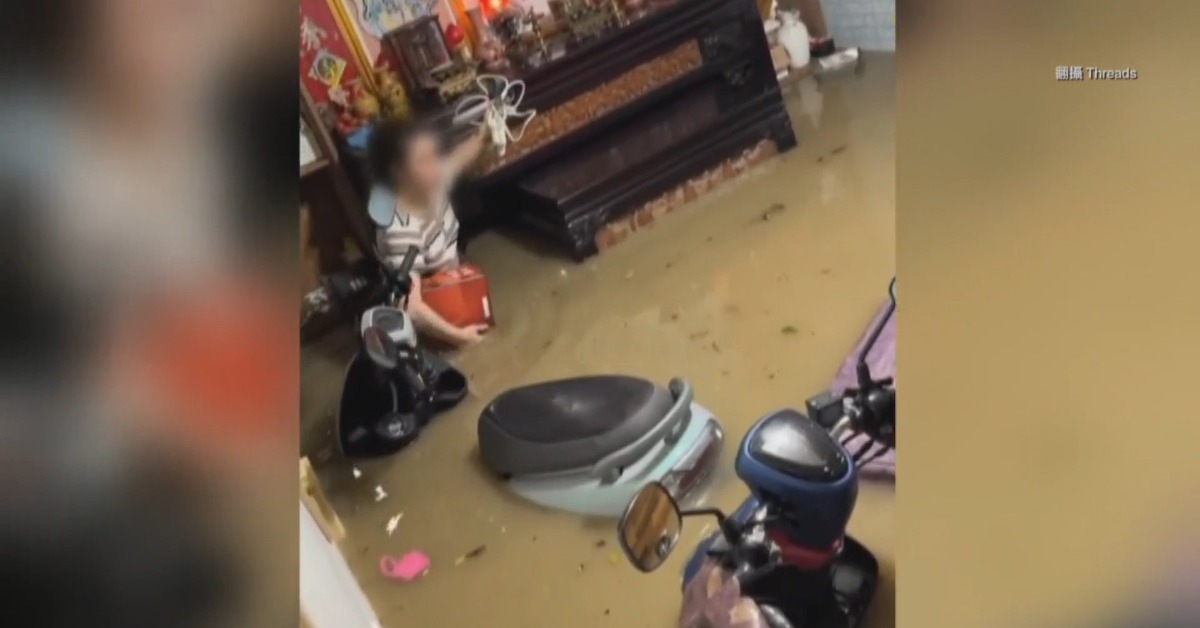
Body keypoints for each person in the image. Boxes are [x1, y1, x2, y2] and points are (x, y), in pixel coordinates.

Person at [366, 118, 490, 346]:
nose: (435, 166)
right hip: (428, 305)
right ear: (399, 173)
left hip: (451, 272)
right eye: (423, 161)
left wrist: (485, 132)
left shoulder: (431, 180)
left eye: (434, 155)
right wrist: (462, 338)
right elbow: (412, 309)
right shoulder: (400, 230)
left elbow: (461, 157)